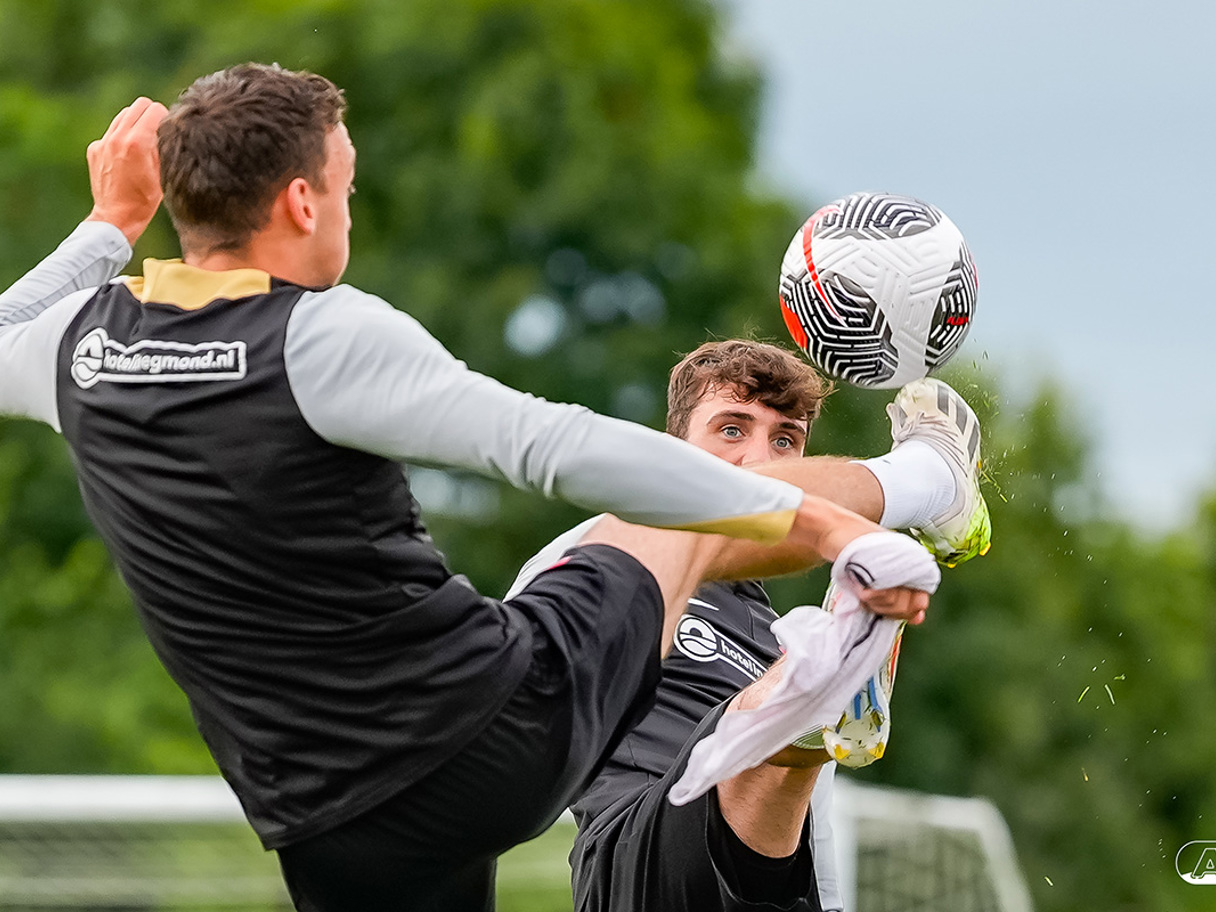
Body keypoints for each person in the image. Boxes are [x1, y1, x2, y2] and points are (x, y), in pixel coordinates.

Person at [0, 66, 940, 912]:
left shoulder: (84, 349)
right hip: (493, 735)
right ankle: (917, 497)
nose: (349, 209)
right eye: (346, 187)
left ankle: (791, 711)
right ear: (300, 202)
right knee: (659, 518)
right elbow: (554, 445)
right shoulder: (318, 335)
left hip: (318, 815)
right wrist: (827, 527)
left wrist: (110, 223)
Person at [507, 340, 990, 912]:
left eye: (785, 441)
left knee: (793, 724)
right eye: (732, 429)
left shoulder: (778, 631)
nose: (761, 462)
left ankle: (814, 688)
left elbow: (817, 834)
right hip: (641, 860)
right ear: (673, 449)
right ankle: (926, 487)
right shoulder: (604, 554)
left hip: (772, 884)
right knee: (750, 731)